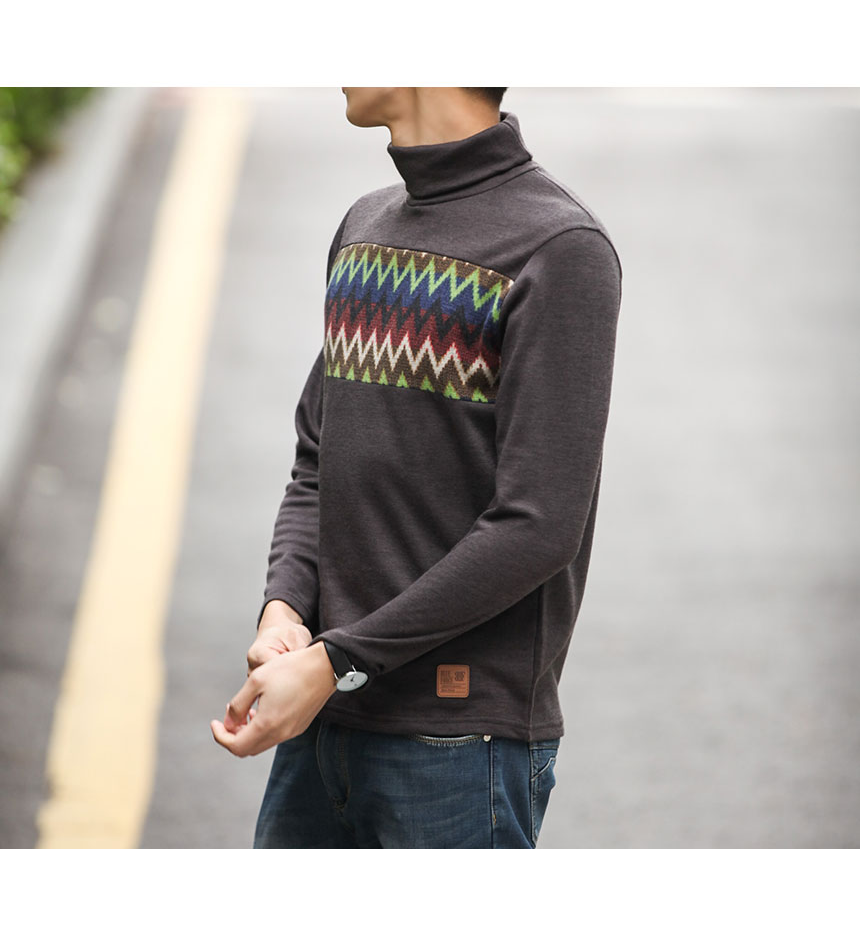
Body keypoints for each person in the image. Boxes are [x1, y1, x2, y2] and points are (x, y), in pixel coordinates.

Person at [211, 87, 623, 848]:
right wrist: (286, 610)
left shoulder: (560, 248)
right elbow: (317, 462)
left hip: (459, 747)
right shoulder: (364, 227)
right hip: (323, 722)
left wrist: (337, 661)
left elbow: (537, 526)